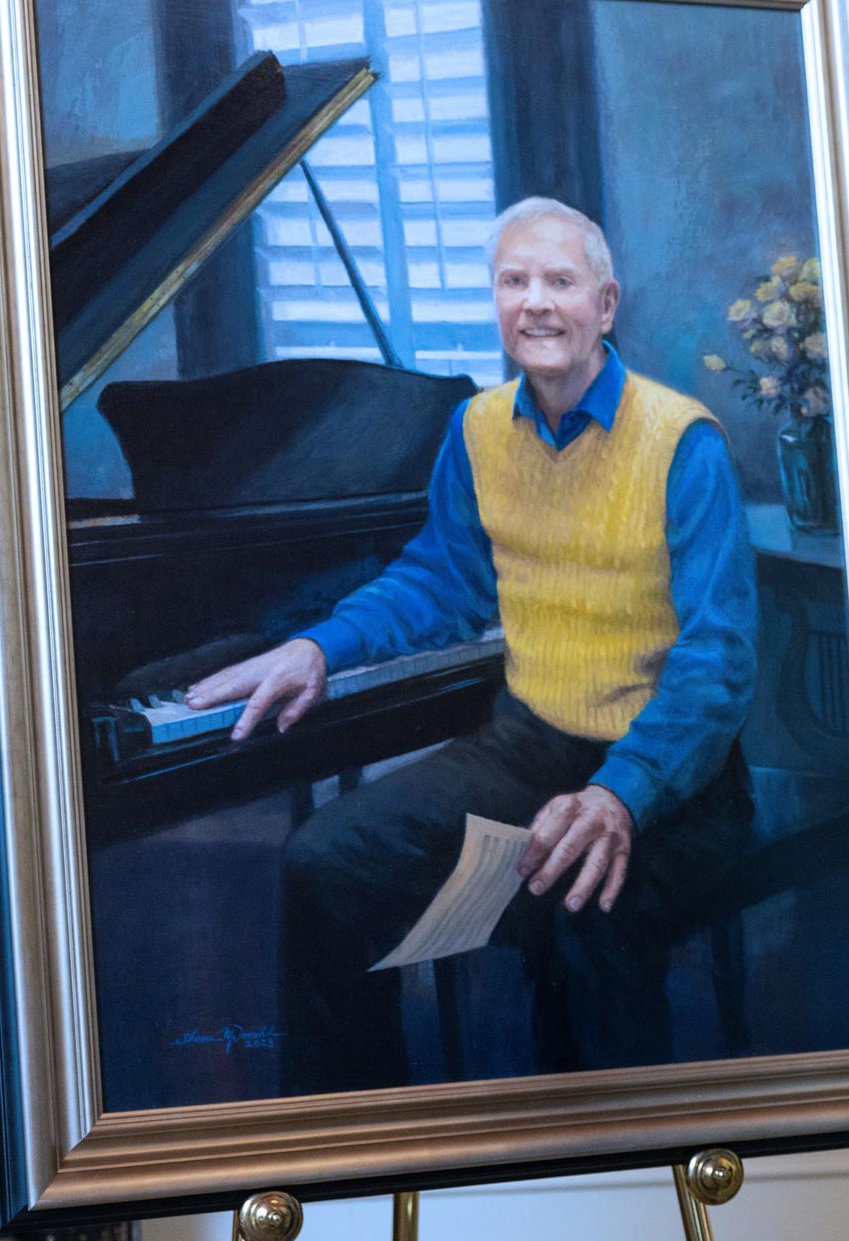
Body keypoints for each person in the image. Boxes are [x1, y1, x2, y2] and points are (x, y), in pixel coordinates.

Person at [185, 197, 759, 1093]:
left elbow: (717, 665)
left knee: (583, 911)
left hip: (674, 774)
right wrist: (320, 649)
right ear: (495, 302)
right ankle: (362, 1146)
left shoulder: (683, 443)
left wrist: (621, 792)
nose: (535, 302)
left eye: (560, 281)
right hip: (527, 749)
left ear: (605, 305)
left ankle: (613, 1171)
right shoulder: (478, 429)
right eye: (514, 281)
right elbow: (441, 581)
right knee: (324, 864)